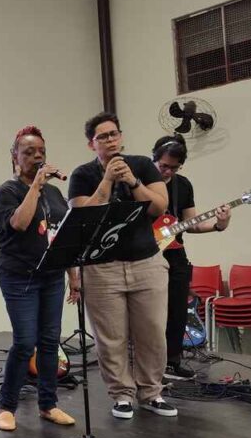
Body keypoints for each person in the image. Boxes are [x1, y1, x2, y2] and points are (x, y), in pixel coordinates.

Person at [67, 112, 175, 419]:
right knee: (111, 338)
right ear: (92, 144)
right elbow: (82, 216)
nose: (110, 140)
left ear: (121, 137)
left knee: (152, 333)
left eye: (114, 134)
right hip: (102, 267)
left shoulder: (141, 165)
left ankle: (151, 393)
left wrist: (132, 181)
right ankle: (122, 395)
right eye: (102, 136)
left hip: (146, 262)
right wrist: (107, 181)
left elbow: (160, 207)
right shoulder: (82, 174)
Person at [0, 125, 79, 433]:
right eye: (29, 152)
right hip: (19, 277)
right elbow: (20, 223)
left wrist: (73, 275)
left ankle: (48, 404)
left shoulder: (54, 193)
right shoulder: (7, 192)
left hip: (52, 275)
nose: (37, 156)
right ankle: (7, 406)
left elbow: (61, 234)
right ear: (15, 157)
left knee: (50, 341)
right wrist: (36, 185)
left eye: (41, 151)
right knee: (25, 342)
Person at [151, 135, 230, 380]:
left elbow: (190, 223)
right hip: (145, 253)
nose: (168, 171)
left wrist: (219, 225)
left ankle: (173, 360)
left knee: (178, 309)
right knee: (150, 313)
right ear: (154, 158)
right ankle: (149, 363)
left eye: (174, 168)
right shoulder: (141, 181)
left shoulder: (182, 185)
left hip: (175, 253)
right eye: (163, 166)